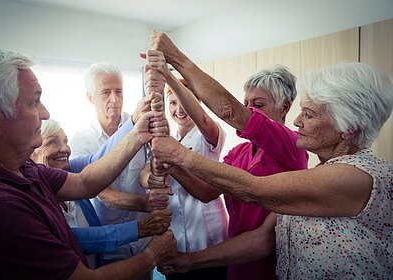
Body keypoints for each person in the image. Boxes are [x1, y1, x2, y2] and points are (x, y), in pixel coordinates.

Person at [151, 61, 393, 279]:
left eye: (308, 114)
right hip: (241, 263)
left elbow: (251, 188)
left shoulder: (357, 175)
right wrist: (189, 261)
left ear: (348, 128)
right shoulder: (311, 175)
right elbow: (262, 239)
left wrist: (180, 155)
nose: (298, 121)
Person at [0, 45, 176, 279]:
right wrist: (153, 254)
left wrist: (136, 133)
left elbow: (84, 182)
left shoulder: (19, 167)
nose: (45, 112)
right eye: (34, 102)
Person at [148, 35, 308, 280]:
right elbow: (206, 192)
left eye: (258, 104)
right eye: (246, 103)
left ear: (285, 107)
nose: (250, 110)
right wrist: (174, 167)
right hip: (234, 262)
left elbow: (229, 112)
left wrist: (175, 61)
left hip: (269, 267)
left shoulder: (292, 145)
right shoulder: (239, 153)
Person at [31, 118, 172, 269]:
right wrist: (140, 229)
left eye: (65, 141)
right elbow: (74, 239)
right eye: (53, 142)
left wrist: (134, 126)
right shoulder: (33, 196)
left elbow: (99, 157)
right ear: (30, 153)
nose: (65, 148)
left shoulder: (69, 171)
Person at [141, 50, 229, 280]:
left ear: (196, 104)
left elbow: (202, 119)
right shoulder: (167, 139)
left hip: (208, 236)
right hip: (179, 236)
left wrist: (168, 75)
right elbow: (147, 170)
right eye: (172, 102)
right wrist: (150, 177)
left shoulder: (209, 135)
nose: (179, 110)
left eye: (184, 104)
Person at [69, 62, 158, 279]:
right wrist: (143, 203)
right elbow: (99, 190)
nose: (114, 99)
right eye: (106, 92)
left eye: (118, 91)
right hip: (109, 243)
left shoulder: (141, 122)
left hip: (143, 240)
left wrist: (150, 179)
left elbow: (149, 164)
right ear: (90, 97)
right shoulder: (82, 139)